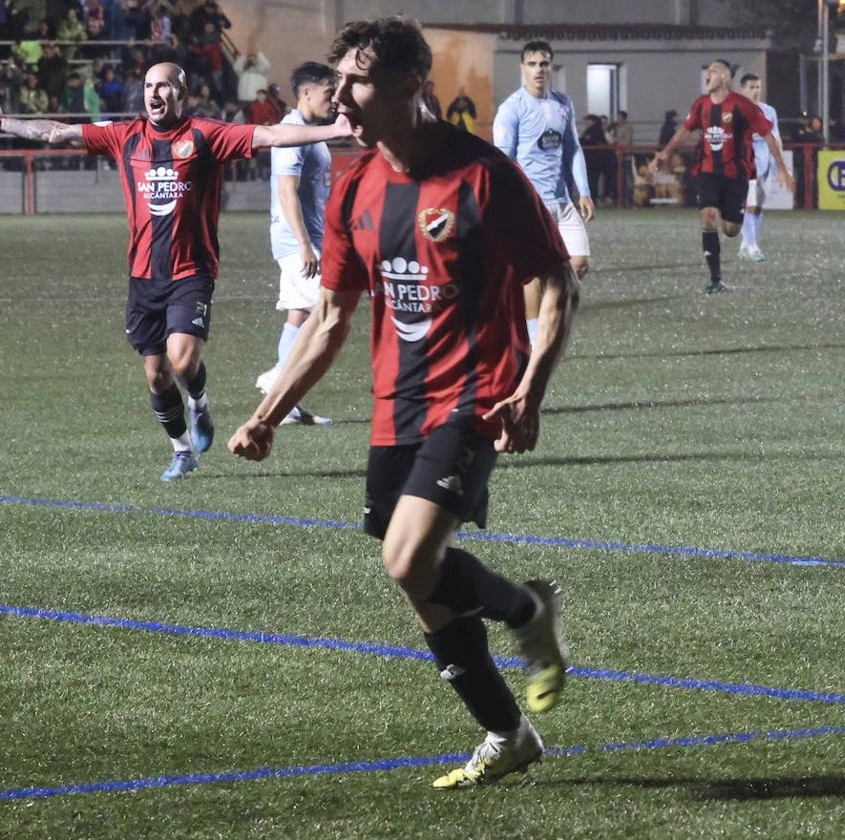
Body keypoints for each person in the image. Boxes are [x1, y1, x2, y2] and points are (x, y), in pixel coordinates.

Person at [228, 17, 577, 789]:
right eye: (340, 80)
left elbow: (557, 282)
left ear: (411, 85)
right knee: (419, 582)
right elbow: (329, 322)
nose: (342, 96)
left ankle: (523, 615)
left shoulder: (483, 176)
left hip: (476, 394)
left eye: (358, 81)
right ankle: (507, 728)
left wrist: (531, 388)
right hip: (397, 403)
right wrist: (268, 413)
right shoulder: (354, 187)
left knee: (408, 557)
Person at [0, 62, 352, 481]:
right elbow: (57, 132)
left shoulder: (205, 134)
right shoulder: (125, 135)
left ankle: (198, 400)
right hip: (144, 276)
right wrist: (2, 122)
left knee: (182, 361)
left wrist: (335, 131)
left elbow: (271, 135)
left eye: (164, 86)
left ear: (181, 93)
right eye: (148, 85)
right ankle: (182, 450)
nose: (154, 93)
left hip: (191, 272)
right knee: (155, 374)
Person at [651, 59, 793, 294]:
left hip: (735, 175)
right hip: (707, 172)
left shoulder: (742, 106)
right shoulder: (701, 105)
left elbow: (768, 134)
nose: (708, 75)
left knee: (730, 230)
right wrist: (664, 154)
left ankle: (736, 234)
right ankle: (715, 279)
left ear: (725, 78)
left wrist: (781, 167)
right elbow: (684, 131)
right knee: (707, 216)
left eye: (713, 71)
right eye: (707, 71)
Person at [255, 61, 339, 426]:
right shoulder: (291, 130)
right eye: (328, 92)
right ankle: (278, 379)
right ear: (307, 92)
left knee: (299, 315)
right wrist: (305, 245)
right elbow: (286, 190)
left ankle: (287, 405)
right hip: (296, 242)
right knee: (328, 312)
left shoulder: (308, 130)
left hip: (308, 238)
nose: (334, 99)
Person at [492, 39, 592, 344]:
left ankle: (534, 316)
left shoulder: (562, 103)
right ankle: (534, 340)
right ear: (522, 67)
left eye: (544, 63)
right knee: (532, 274)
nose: (538, 69)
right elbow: (502, 160)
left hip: (561, 201)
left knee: (579, 262)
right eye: (532, 64)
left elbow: (573, 149)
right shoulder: (512, 109)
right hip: (529, 203)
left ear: (552, 67)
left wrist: (584, 191)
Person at [737, 73, 782, 262]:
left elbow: (776, 138)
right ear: (743, 90)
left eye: (758, 87)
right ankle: (752, 245)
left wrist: (782, 166)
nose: (756, 91)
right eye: (752, 87)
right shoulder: (736, 111)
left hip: (766, 163)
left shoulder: (769, 111)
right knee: (749, 203)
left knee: (759, 207)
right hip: (745, 161)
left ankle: (745, 245)